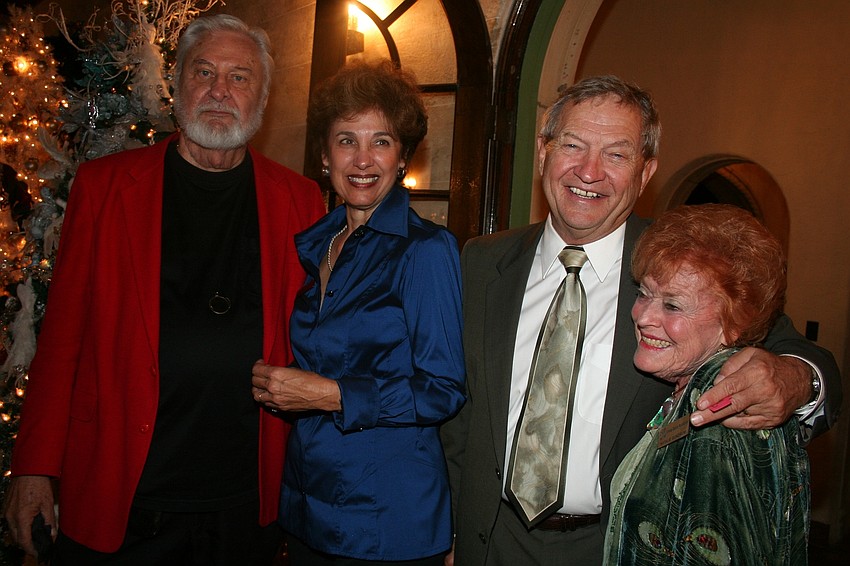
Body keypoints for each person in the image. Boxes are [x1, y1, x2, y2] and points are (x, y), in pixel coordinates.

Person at [440, 75, 841, 565]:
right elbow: (458, 415)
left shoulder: (682, 262)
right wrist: (455, 531)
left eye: (616, 154)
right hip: (491, 540)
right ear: (544, 151)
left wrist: (794, 379)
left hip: (616, 546)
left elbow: (806, 361)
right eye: (573, 145)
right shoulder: (481, 262)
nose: (589, 172)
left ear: (646, 172)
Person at [3, 14, 325, 564]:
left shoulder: (300, 200)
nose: (220, 91)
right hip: (125, 496)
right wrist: (34, 465)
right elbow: (61, 338)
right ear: (176, 85)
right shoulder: (105, 188)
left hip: (244, 503)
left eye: (240, 77)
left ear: (262, 99)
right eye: (204, 72)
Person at [250, 60, 465, 564]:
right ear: (325, 156)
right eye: (346, 140)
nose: (362, 159)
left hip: (384, 519)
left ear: (403, 155)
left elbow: (443, 389)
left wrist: (329, 395)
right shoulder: (319, 244)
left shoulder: (426, 250)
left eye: (381, 141)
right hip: (307, 507)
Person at [604, 204, 809, 565]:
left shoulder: (728, 417)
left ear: (734, 324)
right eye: (644, 294)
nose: (643, 316)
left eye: (672, 305)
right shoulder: (689, 393)